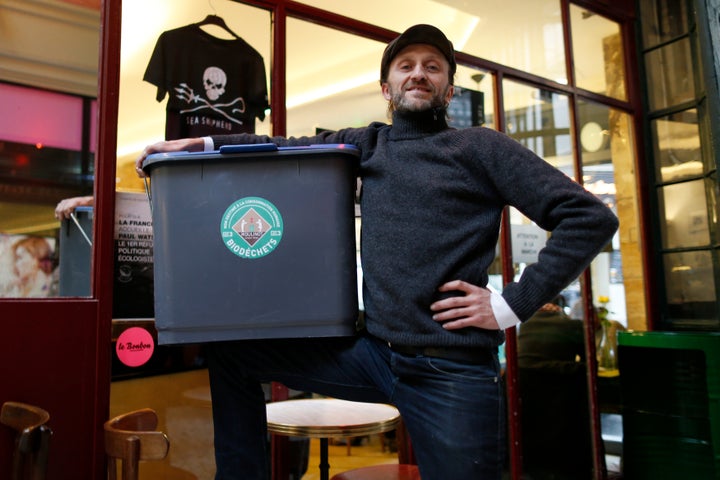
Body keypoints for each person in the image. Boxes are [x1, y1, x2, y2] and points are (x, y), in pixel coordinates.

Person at [135, 24, 619, 480]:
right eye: (406, 64)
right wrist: (201, 143)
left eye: (433, 66)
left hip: (450, 367)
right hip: (374, 354)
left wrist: (510, 304)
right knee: (232, 355)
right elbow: (280, 147)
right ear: (387, 89)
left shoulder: (479, 147)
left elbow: (590, 218)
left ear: (448, 91)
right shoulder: (367, 146)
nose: (418, 72)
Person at [516, 300, 591, 479]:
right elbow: (589, 363)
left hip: (525, 397)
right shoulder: (571, 325)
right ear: (560, 308)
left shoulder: (523, 325)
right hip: (563, 406)